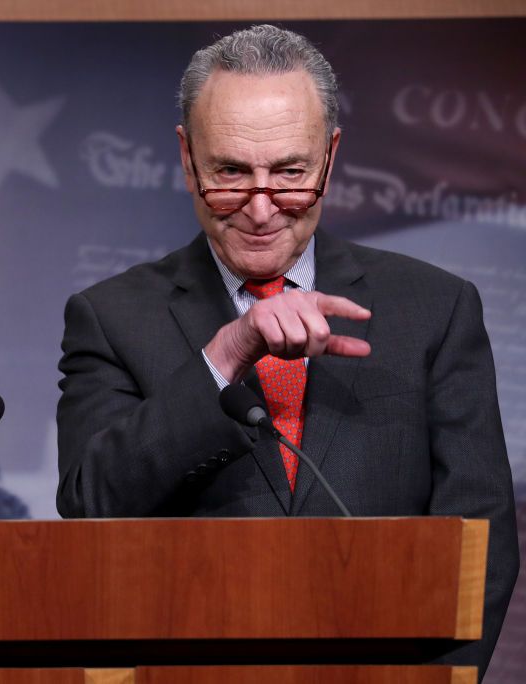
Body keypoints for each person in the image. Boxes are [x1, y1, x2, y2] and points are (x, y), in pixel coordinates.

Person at [56, 24, 517, 678]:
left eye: (291, 173)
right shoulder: (110, 318)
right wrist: (224, 358)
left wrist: (437, 679)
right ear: (187, 159)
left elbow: (482, 541)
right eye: (231, 173)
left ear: (331, 156)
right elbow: (89, 507)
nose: (262, 206)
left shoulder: (435, 308)